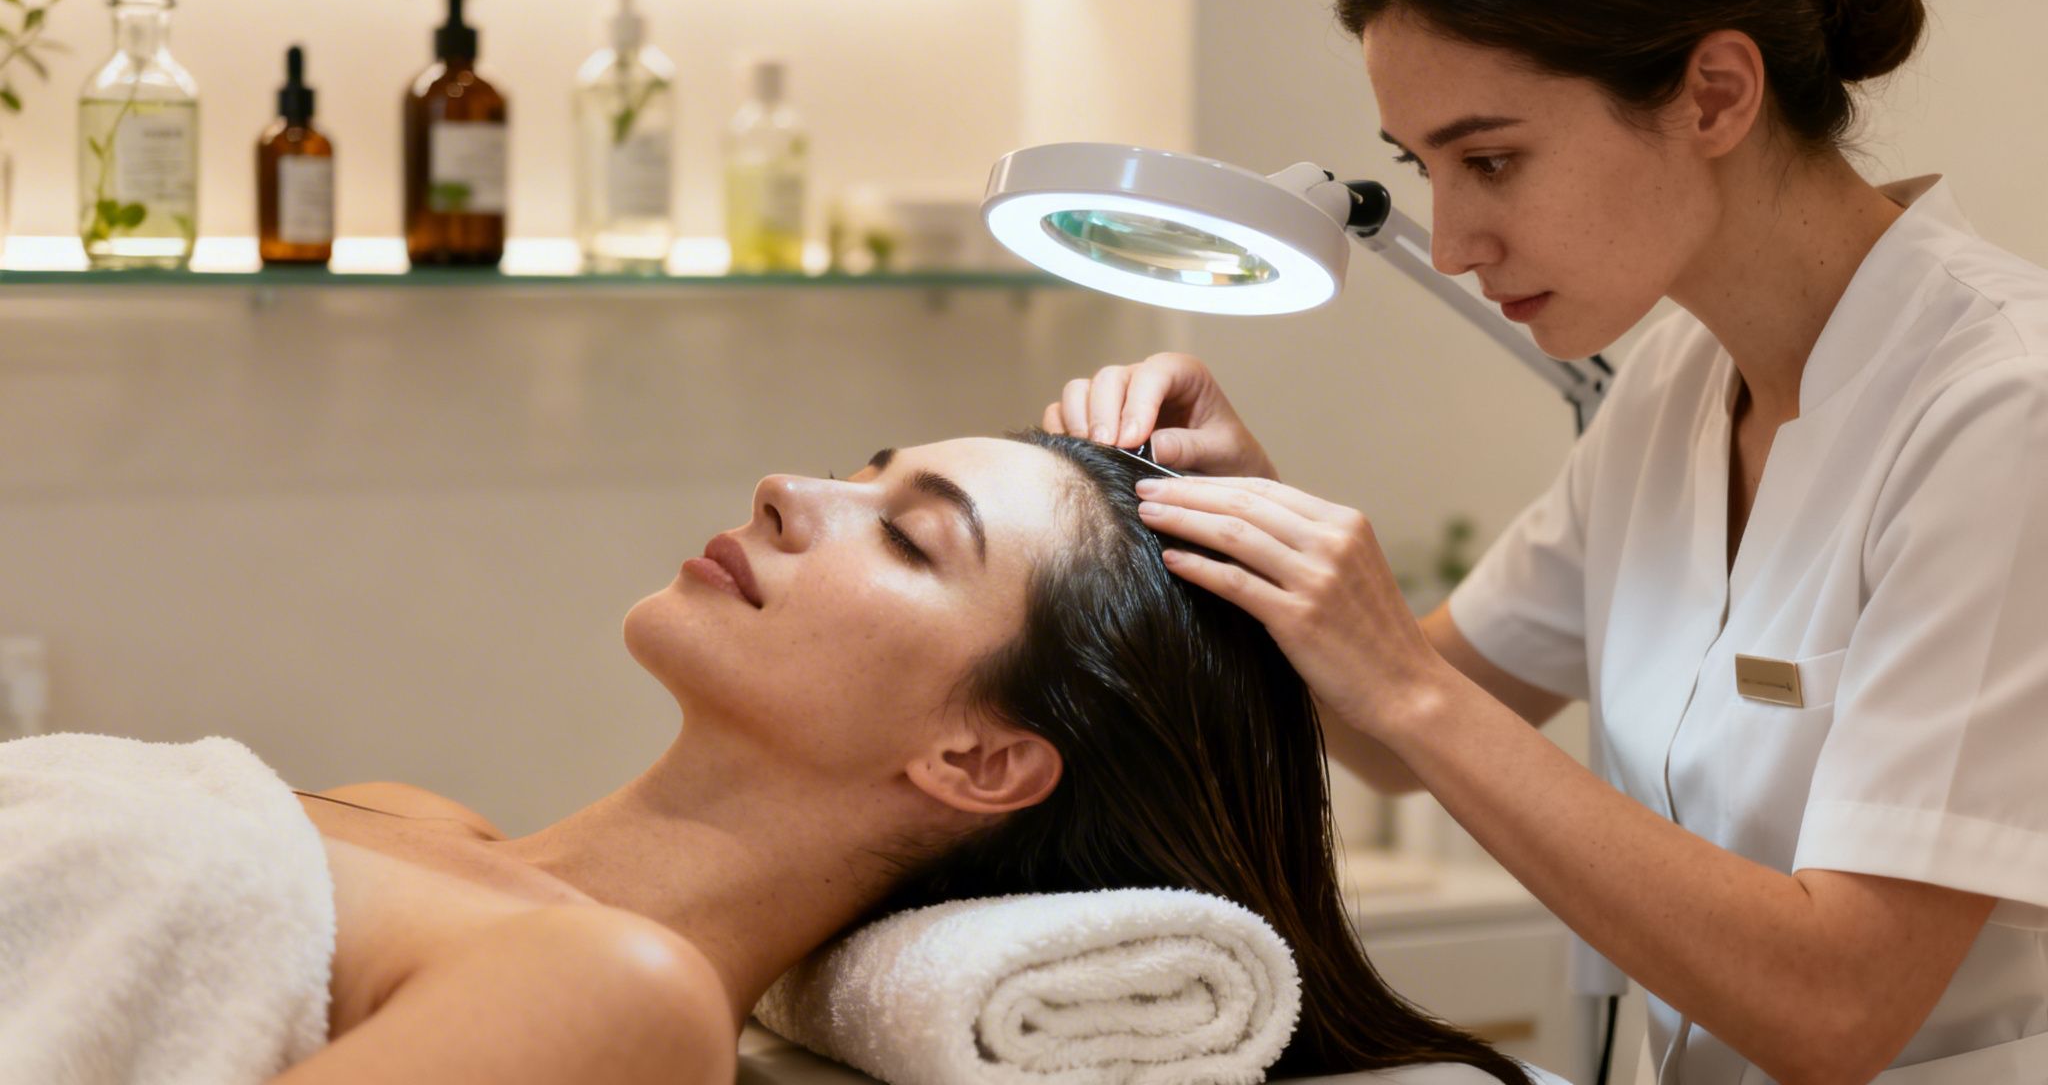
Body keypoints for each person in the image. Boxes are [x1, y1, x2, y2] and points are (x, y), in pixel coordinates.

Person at [1044, 0, 2048, 1080]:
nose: (1460, 246)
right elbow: (1391, 740)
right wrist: (1240, 516)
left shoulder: (2006, 409)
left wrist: (1409, 687)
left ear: (1713, 94)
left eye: (1493, 160)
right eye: (1425, 169)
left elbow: (1837, 1006)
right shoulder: (1669, 391)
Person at [112, 431, 1531, 1083]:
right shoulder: (413, 818)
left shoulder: (618, 1001)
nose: (790, 492)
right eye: (864, 474)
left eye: (912, 534)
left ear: (982, 761)